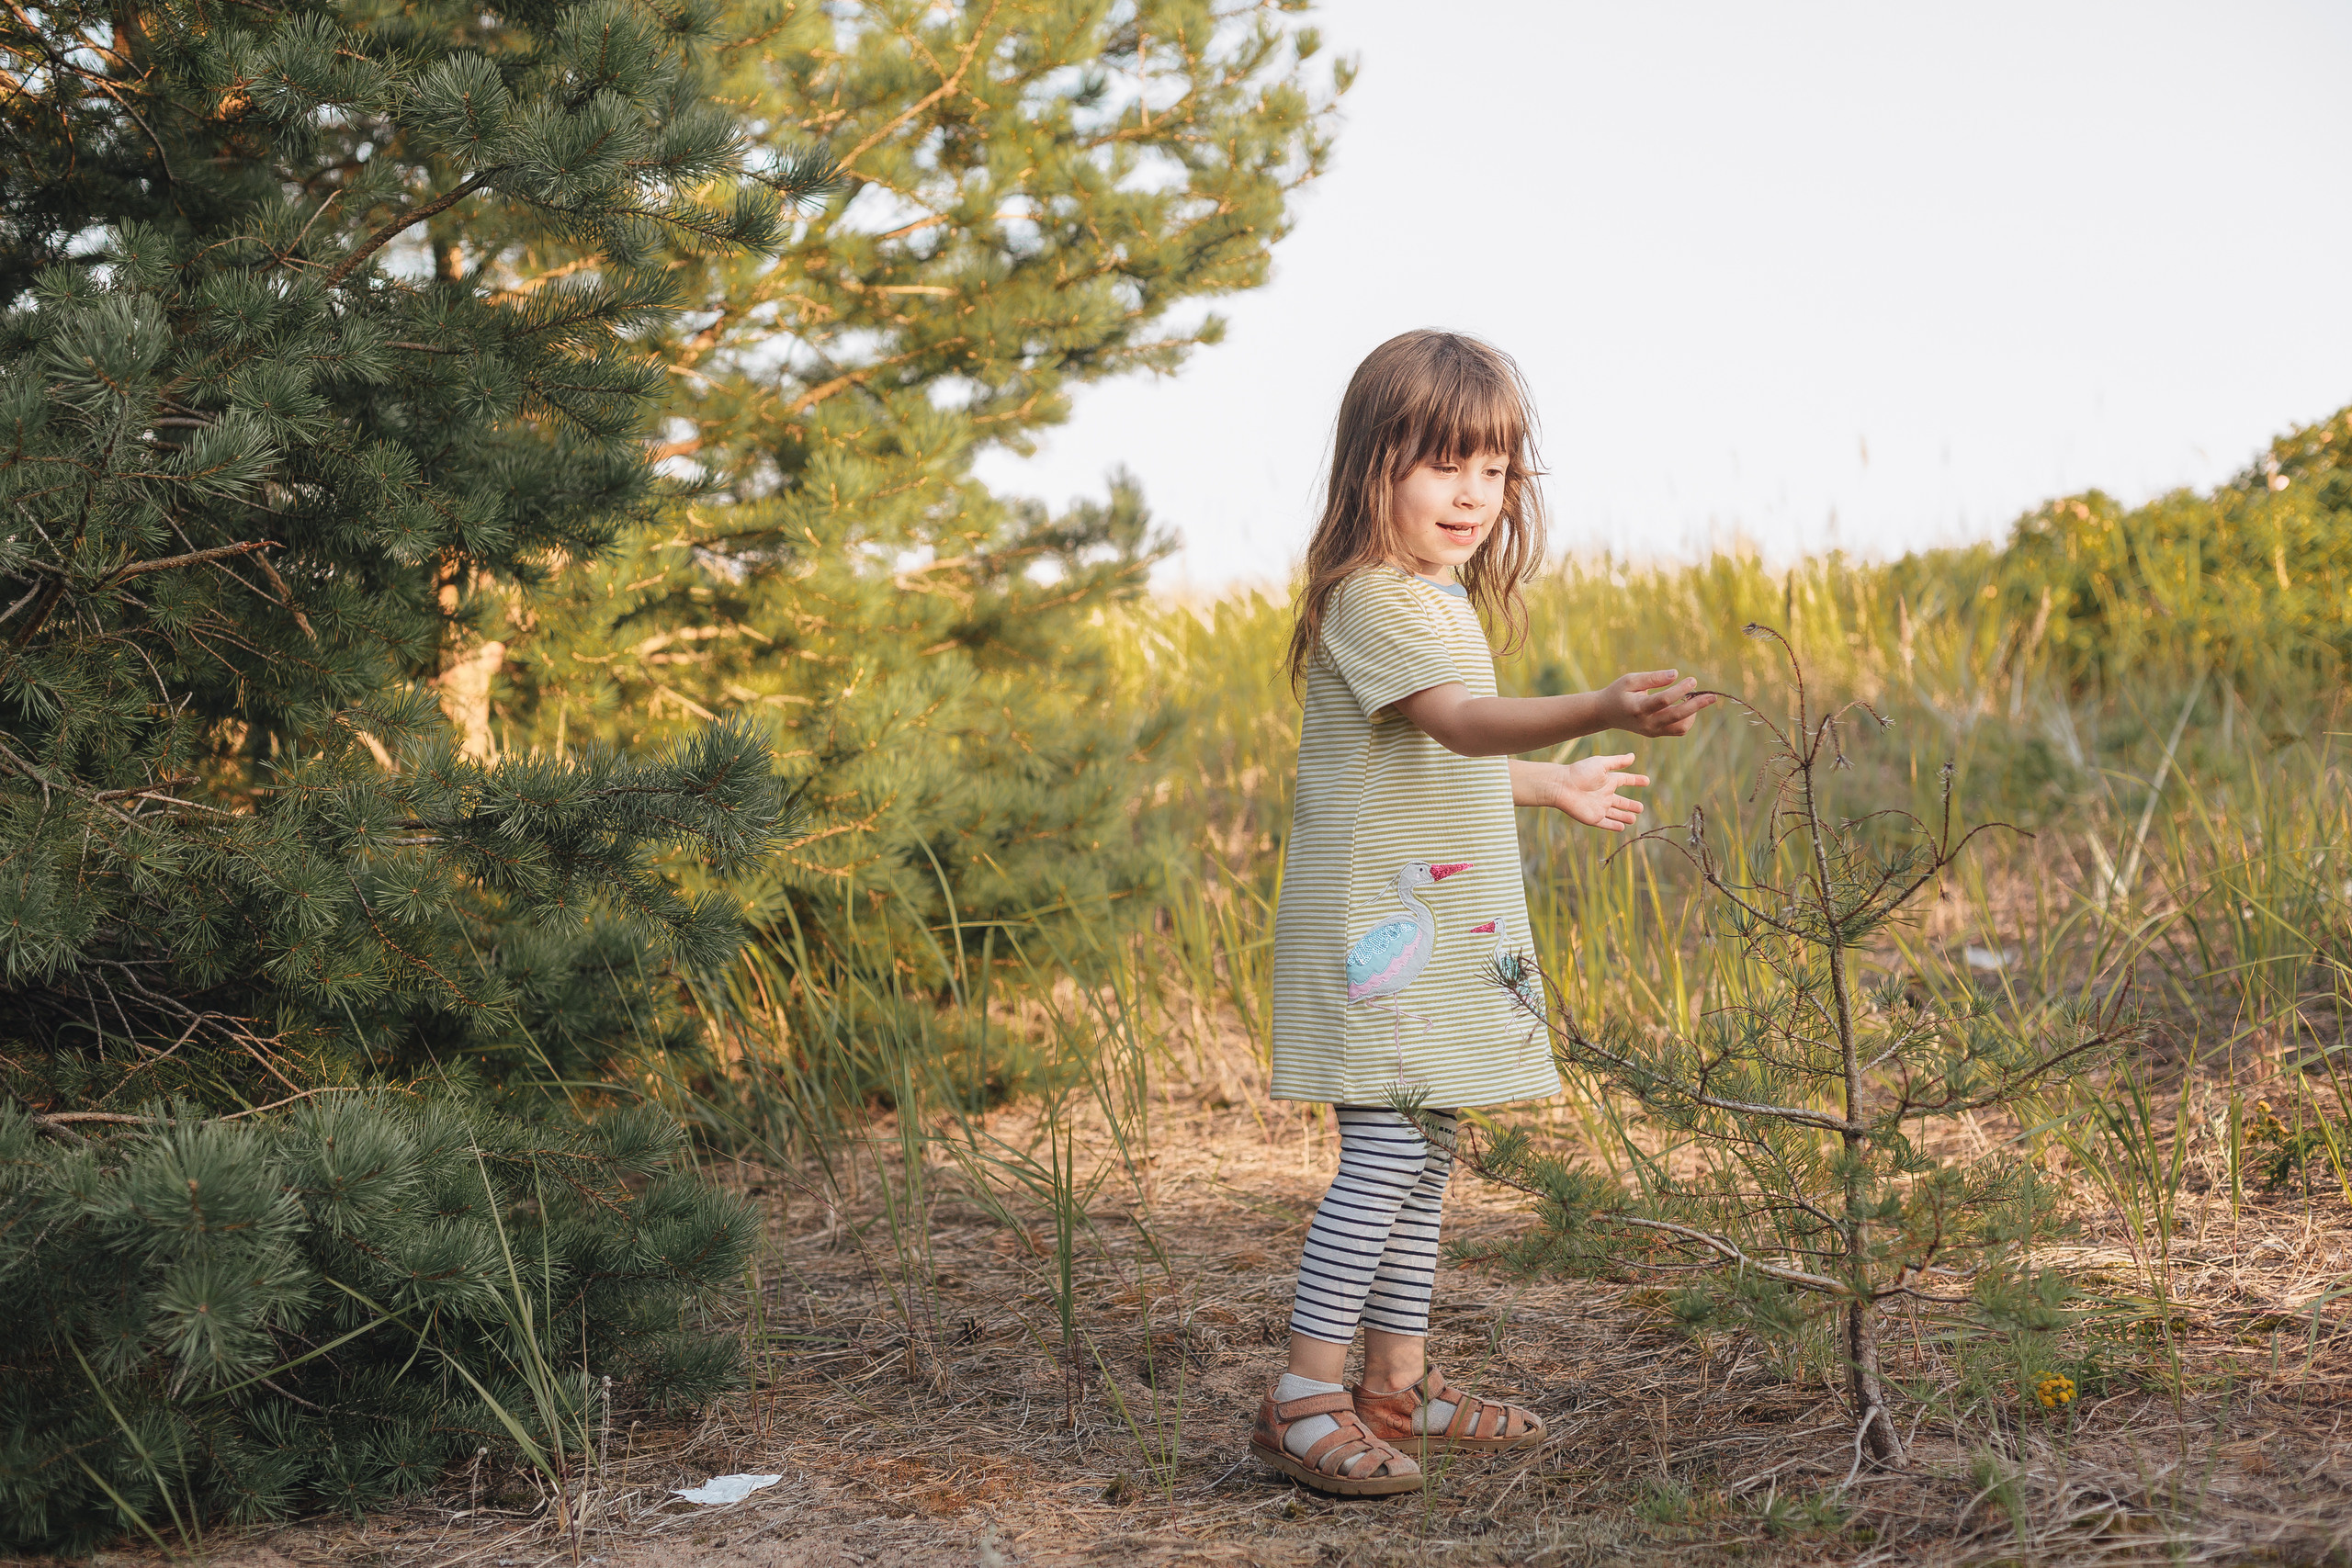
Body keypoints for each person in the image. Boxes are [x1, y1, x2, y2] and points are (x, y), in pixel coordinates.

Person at [1250, 329, 1715, 1495]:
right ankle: (1302, 1393)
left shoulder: (1429, 597)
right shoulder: (1373, 599)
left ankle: (1392, 1386)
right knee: (1382, 1156)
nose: (1472, 492)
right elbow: (1456, 721)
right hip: (1378, 938)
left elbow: (1432, 752)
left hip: (1443, 933)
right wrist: (1596, 709)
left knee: (1428, 1149)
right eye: (1441, 463)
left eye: (1495, 468)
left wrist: (1549, 783)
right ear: (1374, 470)